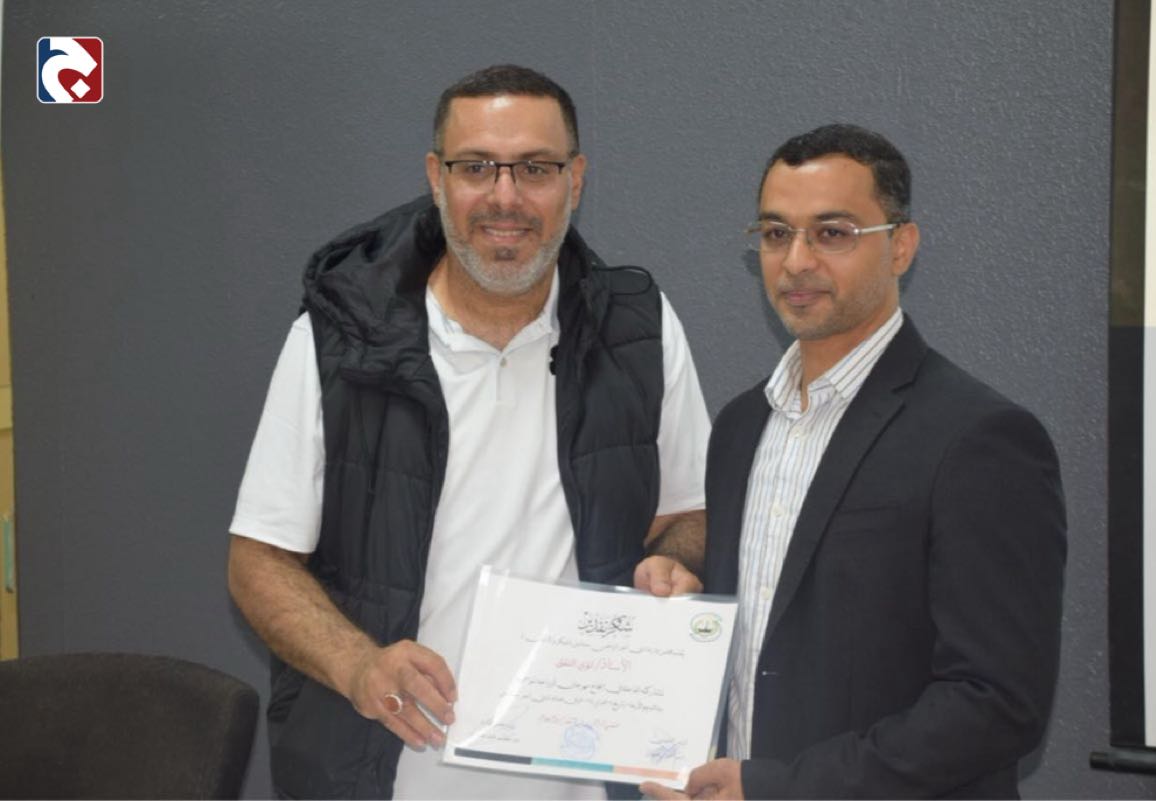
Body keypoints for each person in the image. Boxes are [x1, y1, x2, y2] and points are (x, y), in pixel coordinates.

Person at [227, 64, 709, 800]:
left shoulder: (639, 328)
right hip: (383, 779)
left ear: (576, 180)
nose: (505, 197)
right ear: (437, 178)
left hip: (585, 781)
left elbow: (688, 514)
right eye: (477, 167)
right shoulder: (338, 340)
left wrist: (672, 563)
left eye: (536, 168)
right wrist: (358, 665)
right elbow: (258, 560)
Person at [643, 124, 1066, 800]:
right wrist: (683, 589)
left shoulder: (980, 438)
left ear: (901, 246)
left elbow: (996, 703)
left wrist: (779, 789)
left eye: (832, 233)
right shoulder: (741, 427)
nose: (796, 261)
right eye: (776, 233)